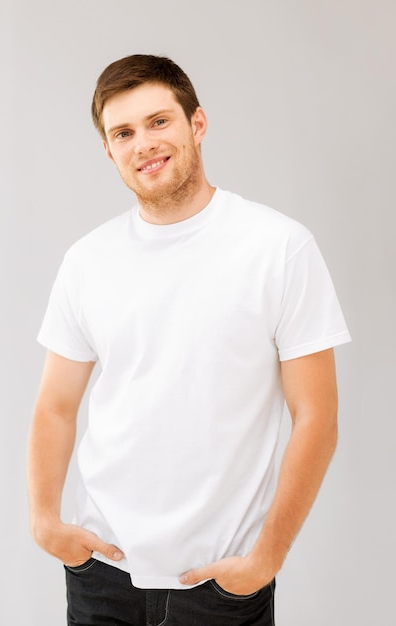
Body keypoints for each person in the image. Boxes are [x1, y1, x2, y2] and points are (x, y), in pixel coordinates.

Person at [27, 54, 351, 626]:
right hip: (103, 575)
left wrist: (265, 559)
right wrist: (44, 522)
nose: (143, 144)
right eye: (123, 133)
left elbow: (317, 416)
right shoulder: (87, 261)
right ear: (109, 151)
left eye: (159, 122)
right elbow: (55, 405)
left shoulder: (278, 247)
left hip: (222, 585)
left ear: (196, 124)